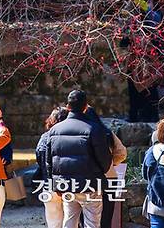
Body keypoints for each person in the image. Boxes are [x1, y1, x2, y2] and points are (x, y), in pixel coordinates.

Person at [46, 89, 113, 228]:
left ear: (68, 107)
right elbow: (105, 161)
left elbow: (49, 161)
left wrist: (55, 183)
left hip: (66, 185)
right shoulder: (94, 129)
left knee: (69, 220)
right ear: (85, 107)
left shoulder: (54, 130)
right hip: (90, 185)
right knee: (92, 223)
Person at [36, 106, 69, 228]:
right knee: (70, 221)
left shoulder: (44, 138)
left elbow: (39, 159)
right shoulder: (70, 138)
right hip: (68, 185)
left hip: (48, 185)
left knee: (54, 223)